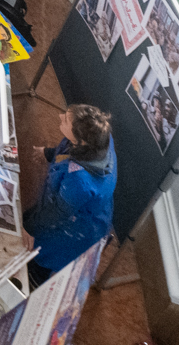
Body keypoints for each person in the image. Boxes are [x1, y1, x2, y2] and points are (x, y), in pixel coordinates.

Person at [27, 105, 118, 280]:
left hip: (73, 228)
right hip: (70, 203)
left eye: (66, 120)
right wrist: (49, 153)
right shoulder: (100, 137)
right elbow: (68, 150)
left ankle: (34, 277)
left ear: (81, 141)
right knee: (32, 222)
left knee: (42, 257)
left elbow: (55, 214)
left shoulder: (80, 181)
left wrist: (29, 229)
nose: (60, 117)